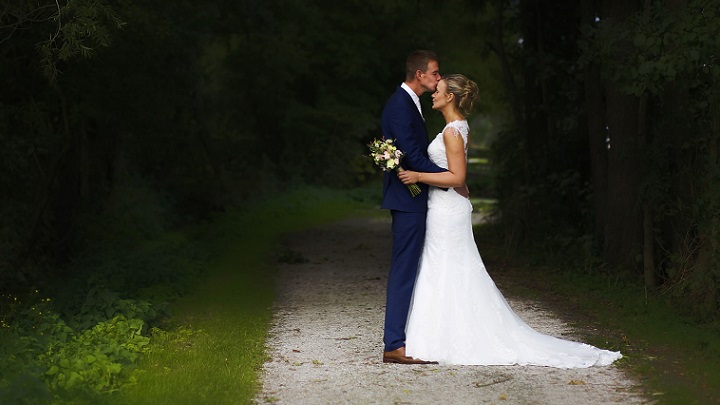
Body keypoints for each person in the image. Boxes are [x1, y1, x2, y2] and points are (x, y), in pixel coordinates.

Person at [397, 74, 622, 367]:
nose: (433, 94)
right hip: (445, 205)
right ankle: (437, 335)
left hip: (447, 208)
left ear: (450, 97)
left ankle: (445, 338)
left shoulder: (453, 131)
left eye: (437, 91)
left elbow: (457, 177)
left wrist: (416, 176)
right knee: (446, 267)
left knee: (447, 266)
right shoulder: (458, 127)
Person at [380, 50, 451, 364]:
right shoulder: (399, 104)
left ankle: (408, 337)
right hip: (407, 199)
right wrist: (451, 178)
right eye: (434, 73)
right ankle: (394, 344)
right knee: (404, 270)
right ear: (419, 74)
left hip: (415, 195)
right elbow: (414, 157)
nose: (438, 78)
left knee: (412, 268)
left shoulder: (411, 102)